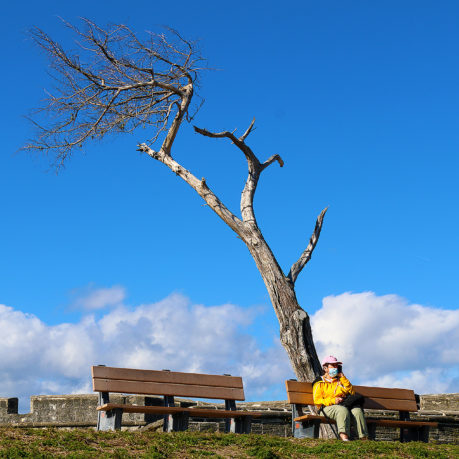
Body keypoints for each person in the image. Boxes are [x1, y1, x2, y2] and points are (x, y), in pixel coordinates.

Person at [313, 355, 368, 441]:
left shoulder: (340, 380)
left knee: (357, 411)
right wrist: (333, 400)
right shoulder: (319, 382)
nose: (335, 367)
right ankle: (344, 438)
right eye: (333, 365)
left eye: (336, 365)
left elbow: (352, 392)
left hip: (343, 405)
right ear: (325, 368)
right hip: (325, 408)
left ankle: (363, 438)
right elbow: (317, 401)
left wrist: (343, 377)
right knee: (341, 410)